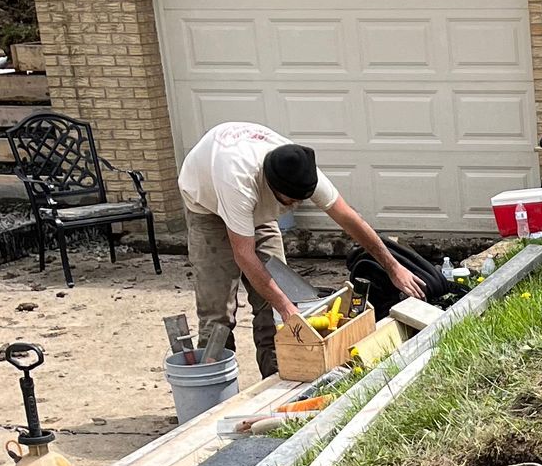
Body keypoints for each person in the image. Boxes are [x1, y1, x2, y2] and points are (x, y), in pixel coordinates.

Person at [176, 121, 422, 376]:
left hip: (254, 209)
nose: (295, 206)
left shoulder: (301, 169)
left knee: (275, 310)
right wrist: (285, 307)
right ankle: (213, 395)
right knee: (218, 313)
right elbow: (244, 254)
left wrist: (393, 267)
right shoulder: (239, 181)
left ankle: (276, 383)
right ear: (271, 187)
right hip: (206, 207)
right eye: (290, 201)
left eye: (301, 201)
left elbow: (350, 219)